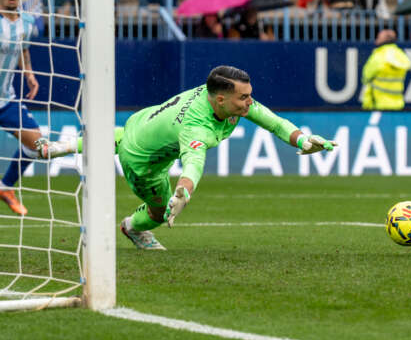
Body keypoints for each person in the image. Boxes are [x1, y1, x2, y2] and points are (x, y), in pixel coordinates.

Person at [64, 66, 336, 249]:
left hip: (140, 125)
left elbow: (275, 123)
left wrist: (304, 139)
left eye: (249, 95)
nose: (250, 102)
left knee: (123, 137)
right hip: (142, 162)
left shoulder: (222, 96)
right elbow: (193, 163)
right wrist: (183, 192)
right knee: (159, 213)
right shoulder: (196, 126)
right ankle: (131, 227)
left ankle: (59, 146)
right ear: (221, 100)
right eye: (243, 97)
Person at [0, 0, 50, 216]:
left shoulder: (27, 23)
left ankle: (5, 186)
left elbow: (23, 49)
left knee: (39, 145)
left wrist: (29, 74)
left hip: (5, 100)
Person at [361, 30, 411, 111]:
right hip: (397, 104)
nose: (376, 40)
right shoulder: (400, 55)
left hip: (378, 104)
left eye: (378, 37)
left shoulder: (378, 56)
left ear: (384, 40)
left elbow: (365, 77)